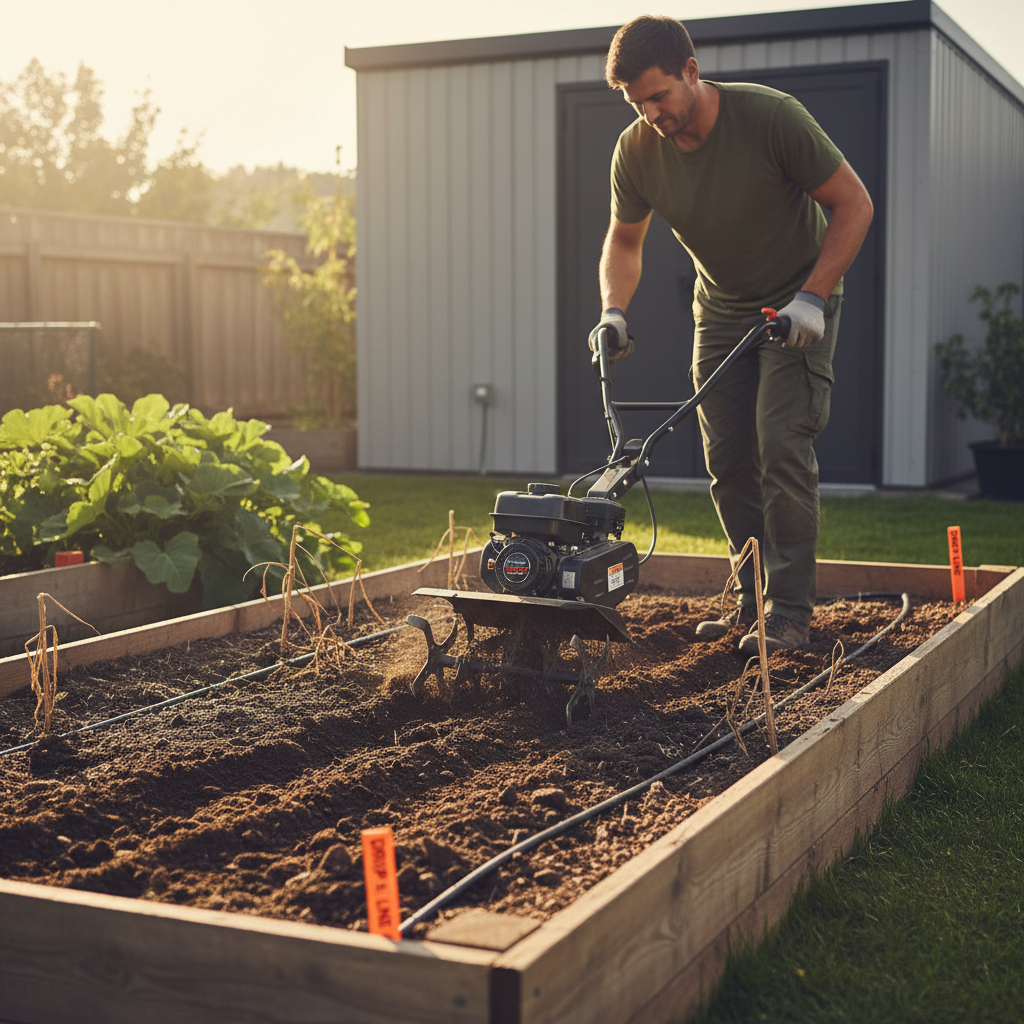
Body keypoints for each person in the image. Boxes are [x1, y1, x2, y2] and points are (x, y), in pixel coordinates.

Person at [590, 15, 873, 654]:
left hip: (799, 299)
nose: (649, 113)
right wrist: (614, 310)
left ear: (691, 70)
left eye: (658, 95)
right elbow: (625, 240)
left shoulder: (771, 118)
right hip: (720, 309)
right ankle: (750, 605)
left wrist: (813, 297)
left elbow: (854, 204)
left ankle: (791, 613)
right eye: (636, 102)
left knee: (780, 444)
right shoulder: (636, 150)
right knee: (728, 462)